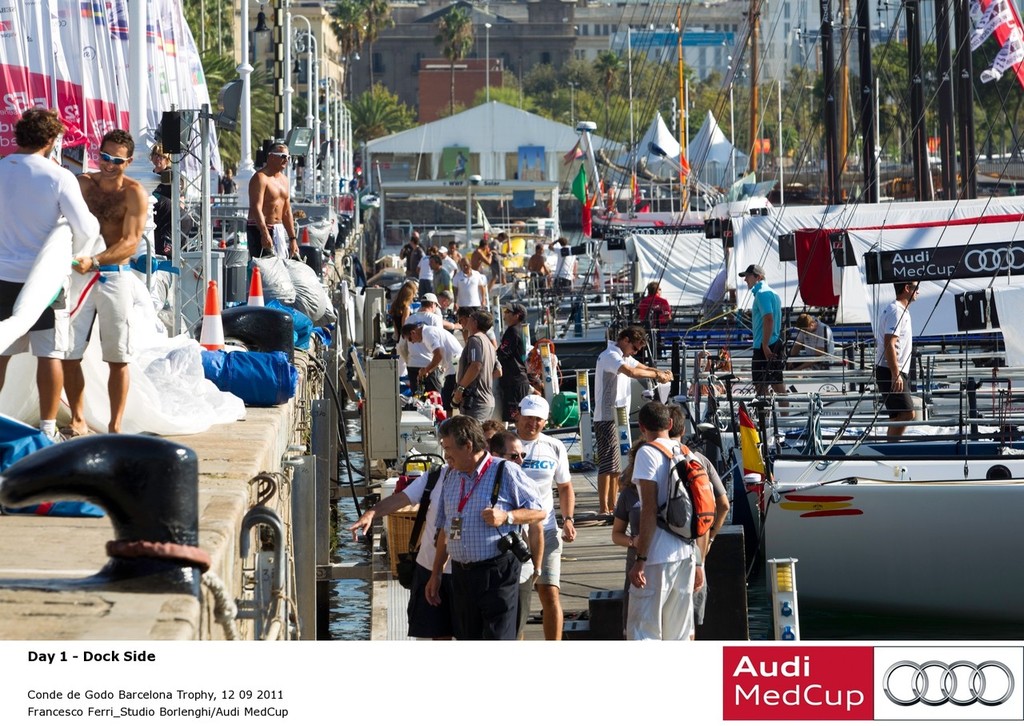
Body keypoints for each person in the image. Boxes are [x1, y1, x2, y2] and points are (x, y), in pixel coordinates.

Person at [0, 109, 101, 442]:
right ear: (51, 139)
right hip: (42, 280)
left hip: (1, 276)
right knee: (50, 354)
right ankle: (46, 429)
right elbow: (85, 227)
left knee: (1, 353)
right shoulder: (58, 177)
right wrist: (78, 254)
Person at [426, 416, 544, 640]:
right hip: (462, 576)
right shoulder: (451, 476)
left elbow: (539, 512)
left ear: (468, 446)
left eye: (449, 448)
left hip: (497, 573)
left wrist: (507, 516)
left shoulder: (505, 470)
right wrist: (436, 573)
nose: (445, 455)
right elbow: (444, 529)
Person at [63, 129, 148, 435]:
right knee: (68, 351)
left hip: (113, 276)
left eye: (117, 160)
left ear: (129, 161)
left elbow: (130, 242)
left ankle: (115, 425)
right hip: (78, 274)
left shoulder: (134, 192)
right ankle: (77, 418)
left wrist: (96, 261)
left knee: (118, 356)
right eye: (105, 156)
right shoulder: (82, 184)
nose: (109, 164)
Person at [348, 463, 457, 639]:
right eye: (445, 448)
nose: (448, 455)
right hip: (427, 567)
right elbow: (401, 499)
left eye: (450, 448)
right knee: (436, 634)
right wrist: (371, 513)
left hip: (464, 573)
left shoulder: (484, 479)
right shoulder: (436, 475)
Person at [627, 401, 701, 640]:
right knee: (678, 634)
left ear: (641, 427)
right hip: (687, 553)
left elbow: (649, 509)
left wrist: (640, 559)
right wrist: (699, 562)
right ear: (670, 424)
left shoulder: (647, 452)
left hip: (658, 555)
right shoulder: (686, 452)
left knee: (644, 632)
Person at [593, 326, 673, 515]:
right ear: (625, 340)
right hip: (606, 416)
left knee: (615, 465)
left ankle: (611, 506)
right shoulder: (610, 355)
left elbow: (641, 367)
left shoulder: (624, 355)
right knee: (607, 463)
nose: (635, 352)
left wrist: (661, 372)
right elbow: (631, 372)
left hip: (617, 416)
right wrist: (656, 375)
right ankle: (603, 508)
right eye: (635, 348)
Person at [515, 394, 575, 640]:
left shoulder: (555, 446)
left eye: (539, 419)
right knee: (517, 597)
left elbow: (564, 487)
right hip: (511, 532)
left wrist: (568, 519)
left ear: (546, 421)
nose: (533, 423)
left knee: (550, 594)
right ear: (517, 415)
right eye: (528, 417)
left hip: (547, 529)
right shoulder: (504, 443)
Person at [666, 404, 729, 638]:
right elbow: (723, 505)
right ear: (683, 430)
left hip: (663, 554)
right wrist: (711, 537)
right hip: (696, 554)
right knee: (689, 625)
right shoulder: (700, 460)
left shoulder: (652, 456)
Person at [488, 429, 544, 639]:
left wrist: (537, 567)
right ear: (494, 454)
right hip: (485, 569)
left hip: (518, 569)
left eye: (522, 455)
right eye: (514, 456)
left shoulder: (521, 480)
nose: (520, 460)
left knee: (516, 630)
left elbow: (537, 521)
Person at [875, 281, 919, 438]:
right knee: (908, 413)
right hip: (890, 370)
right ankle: (891, 449)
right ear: (907, 288)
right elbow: (889, 343)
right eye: (916, 288)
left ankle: (890, 450)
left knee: (896, 417)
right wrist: (895, 374)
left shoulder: (901, 311)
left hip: (892, 370)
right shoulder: (896, 311)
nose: (918, 292)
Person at [740, 264, 786, 401]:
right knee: (778, 385)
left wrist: (765, 345)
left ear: (758, 277)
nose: (745, 280)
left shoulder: (761, 294)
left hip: (764, 346)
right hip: (774, 342)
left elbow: (769, 319)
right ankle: (783, 419)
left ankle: (765, 421)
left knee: (761, 387)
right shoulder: (774, 293)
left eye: (747, 276)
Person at [247, 142, 298, 259]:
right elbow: (256, 207)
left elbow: (286, 211)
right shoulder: (260, 178)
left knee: (281, 268)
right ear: (270, 156)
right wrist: (264, 233)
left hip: (278, 229)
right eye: (283, 156)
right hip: (259, 228)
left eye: (288, 157)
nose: (286, 160)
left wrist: (292, 239)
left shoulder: (285, 180)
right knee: (264, 271)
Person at [452, 309, 498, 420]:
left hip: (476, 403)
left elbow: (475, 365)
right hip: (487, 401)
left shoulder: (475, 340)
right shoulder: (489, 343)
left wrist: (461, 389)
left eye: (470, 318)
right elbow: (498, 371)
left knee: (471, 436)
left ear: (475, 322)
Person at [495, 303, 532, 422]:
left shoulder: (512, 331)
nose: (504, 315)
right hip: (516, 380)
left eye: (508, 312)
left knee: (515, 418)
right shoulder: (519, 329)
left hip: (514, 381)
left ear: (517, 315)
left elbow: (503, 353)